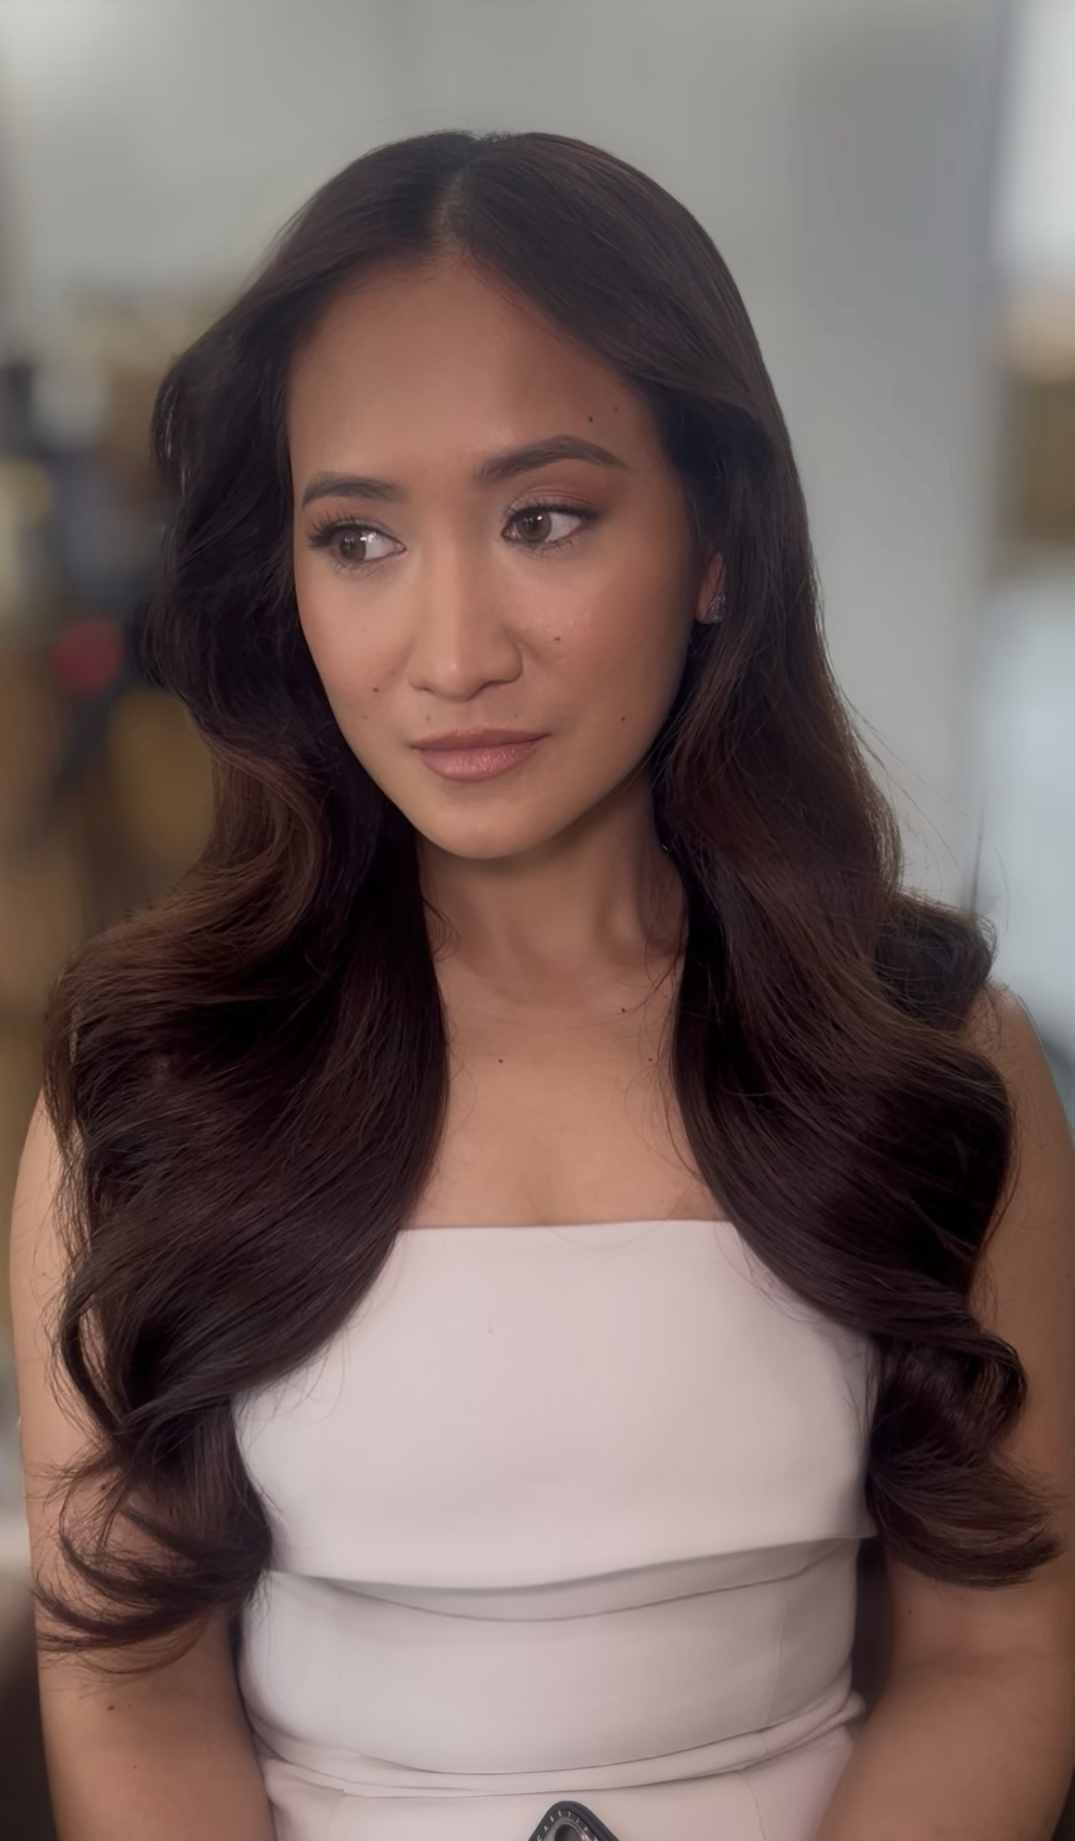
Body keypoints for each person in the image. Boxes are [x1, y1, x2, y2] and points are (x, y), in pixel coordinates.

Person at [8, 128, 1075, 1841]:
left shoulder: (925, 1059)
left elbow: (998, 1648)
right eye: (356, 540)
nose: (450, 654)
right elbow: (126, 1680)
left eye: (545, 517)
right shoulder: (145, 1088)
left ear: (718, 539)